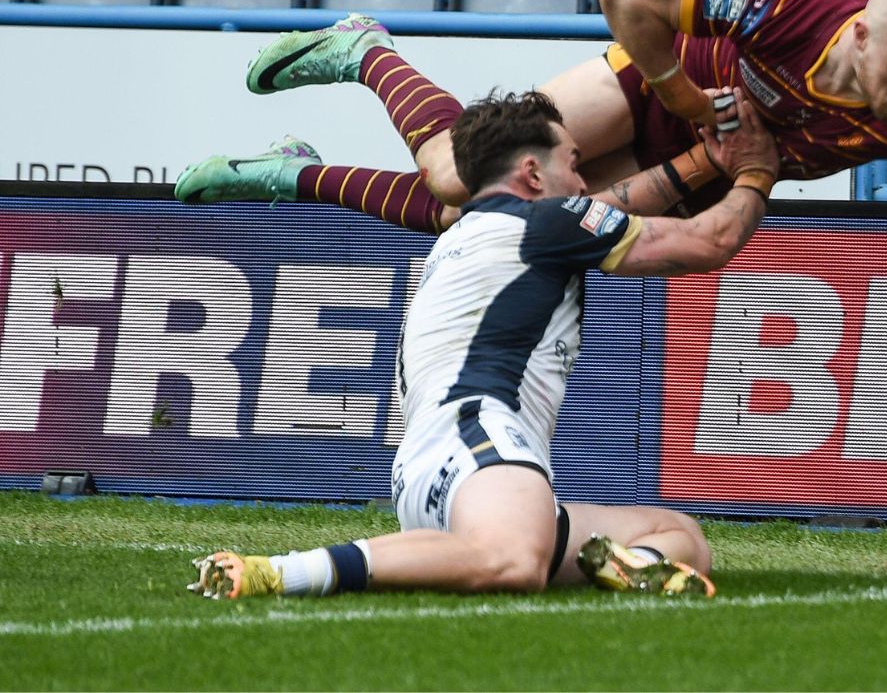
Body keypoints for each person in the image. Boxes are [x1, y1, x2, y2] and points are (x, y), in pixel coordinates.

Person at [176, 0, 887, 410]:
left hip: (715, 166)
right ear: (860, 32)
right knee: (450, 173)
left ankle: (296, 174)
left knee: (467, 221)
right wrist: (682, 93)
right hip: (654, 93)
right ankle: (364, 50)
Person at [189, 86, 780, 600]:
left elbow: (614, 207)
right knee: (515, 564)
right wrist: (756, 170)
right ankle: (280, 572)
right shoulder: (547, 225)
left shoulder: (470, 227)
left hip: (443, 467)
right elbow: (712, 240)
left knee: (680, 538)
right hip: (479, 442)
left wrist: (703, 162)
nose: (582, 181)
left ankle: (628, 568)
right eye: (573, 164)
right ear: (531, 173)